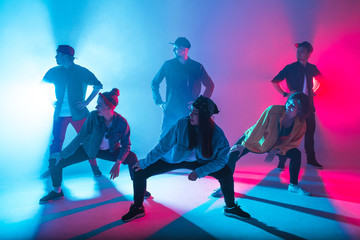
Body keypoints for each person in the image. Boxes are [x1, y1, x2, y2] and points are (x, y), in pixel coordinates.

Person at [121, 96, 251, 222]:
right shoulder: (182, 123)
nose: (190, 115)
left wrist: (200, 171)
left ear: (205, 117)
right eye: (191, 111)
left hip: (201, 163)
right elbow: (163, 146)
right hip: (175, 159)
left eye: (195, 113)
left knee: (226, 172)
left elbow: (222, 160)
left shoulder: (217, 134)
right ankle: (138, 208)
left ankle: (231, 207)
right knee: (138, 171)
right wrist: (144, 163)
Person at [39, 88, 150, 203]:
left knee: (132, 157)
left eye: (100, 105)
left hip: (110, 151)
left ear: (110, 107)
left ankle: (140, 189)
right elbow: (80, 137)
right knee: (55, 160)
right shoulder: (93, 116)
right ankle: (57, 191)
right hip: (89, 149)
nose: (96, 107)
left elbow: (126, 145)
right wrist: (62, 154)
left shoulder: (122, 123)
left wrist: (118, 162)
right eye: (97, 104)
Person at [212, 93, 312, 198]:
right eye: (289, 103)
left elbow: (293, 143)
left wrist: (276, 150)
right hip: (256, 138)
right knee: (232, 155)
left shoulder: (301, 124)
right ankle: (224, 186)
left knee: (296, 154)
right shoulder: (273, 111)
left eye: (293, 106)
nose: (288, 106)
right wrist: (244, 144)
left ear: (300, 110)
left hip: (274, 146)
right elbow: (259, 128)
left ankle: (293, 185)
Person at [41, 45, 103, 178]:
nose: (56, 57)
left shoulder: (82, 71)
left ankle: (94, 167)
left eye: (58, 55)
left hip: (79, 114)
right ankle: (52, 168)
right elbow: (42, 85)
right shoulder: (54, 71)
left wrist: (87, 102)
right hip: (59, 115)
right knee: (56, 142)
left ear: (65, 56)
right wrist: (51, 101)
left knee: (87, 140)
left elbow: (98, 85)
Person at [271, 41, 323, 169]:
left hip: (308, 107)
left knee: (309, 134)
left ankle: (311, 160)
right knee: (286, 133)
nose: (299, 53)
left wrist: (315, 91)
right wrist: (285, 94)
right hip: (292, 107)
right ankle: (281, 162)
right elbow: (275, 81)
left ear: (309, 54)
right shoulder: (290, 67)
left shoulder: (312, 68)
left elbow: (322, 81)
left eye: (302, 51)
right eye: (298, 51)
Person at [151, 37, 215, 140]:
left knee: (190, 139)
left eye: (176, 48)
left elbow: (210, 85)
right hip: (171, 108)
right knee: (165, 138)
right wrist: (159, 101)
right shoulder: (168, 65)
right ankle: (163, 156)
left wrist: (199, 102)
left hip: (189, 109)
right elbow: (154, 83)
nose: (173, 50)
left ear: (185, 49)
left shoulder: (197, 67)